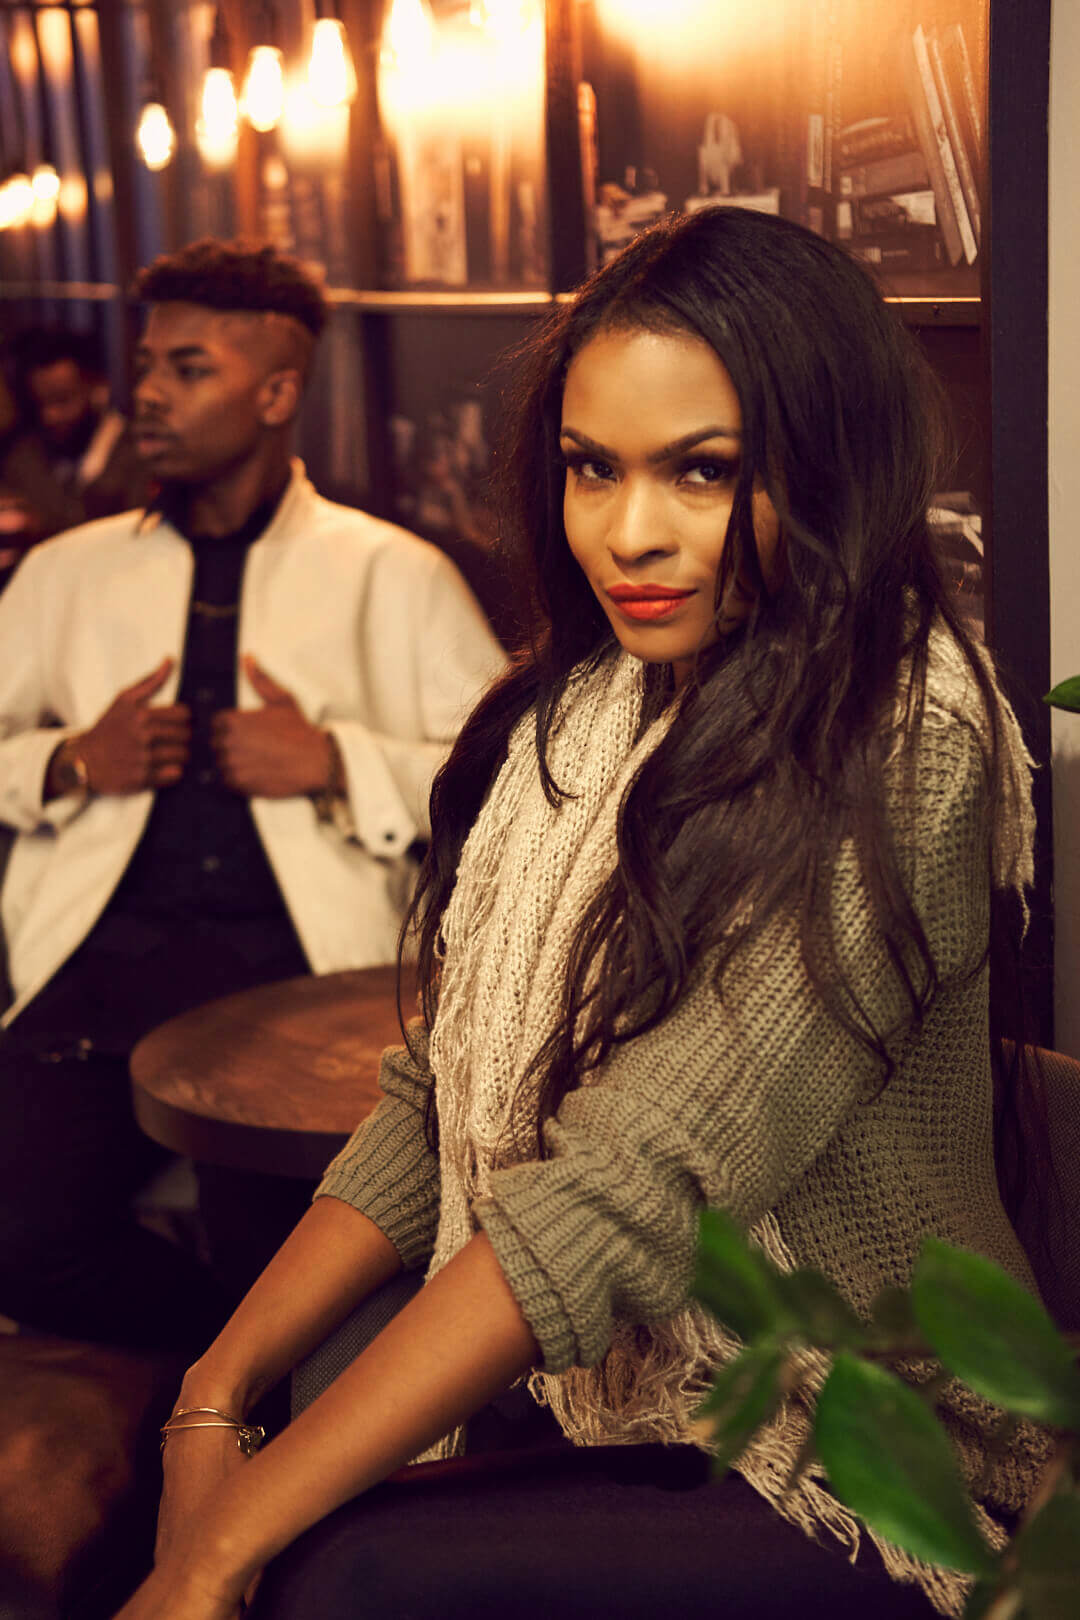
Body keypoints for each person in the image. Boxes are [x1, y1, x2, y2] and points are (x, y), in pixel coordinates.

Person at [114, 208, 1047, 1620]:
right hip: (612, 1395)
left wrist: (222, 1546)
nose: (632, 535)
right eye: (592, 470)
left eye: (706, 473)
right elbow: (433, 1104)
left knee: (330, 1571)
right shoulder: (590, 708)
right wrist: (208, 1396)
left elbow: (632, 1189)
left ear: (830, 461)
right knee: (272, 1482)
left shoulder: (908, 730)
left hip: (858, 1446)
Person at [0, 240, 504, 1352]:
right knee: (21, 1235)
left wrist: (336, 760)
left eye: (188, 370)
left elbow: (510, 784)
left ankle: (251, 1428)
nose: (145, 394)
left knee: (284, 1257)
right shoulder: (66, 573)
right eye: (145, 365)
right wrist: (72, 760)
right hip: (98, 963)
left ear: (277, 392)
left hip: (304, 981)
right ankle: (207, 1380)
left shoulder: (392, 572)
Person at [0, 325, 149, 545]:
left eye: (62, 400)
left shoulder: (137, 452)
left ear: (97, 387)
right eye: (39, 403)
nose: (49, 416)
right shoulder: (23, 457)